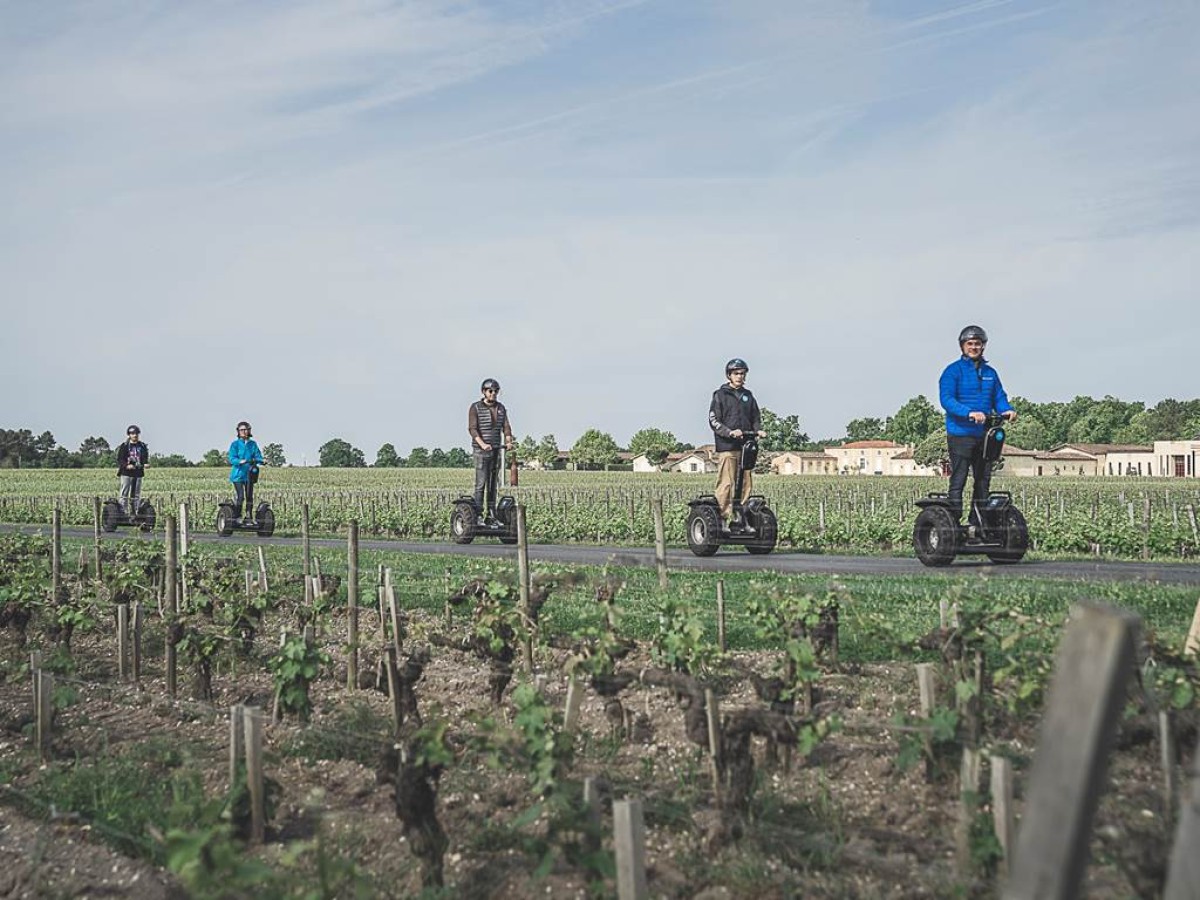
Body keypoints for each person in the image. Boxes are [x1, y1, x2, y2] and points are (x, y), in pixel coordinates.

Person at [938, 325, 1017, 527]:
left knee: (983, 480)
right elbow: (946, 399)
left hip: (984, 435)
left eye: (978, 344)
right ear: (963, 346)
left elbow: (998, 396)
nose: (974, 347)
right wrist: (968, 412)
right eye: (970, 344)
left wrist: (1007, 409)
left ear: (983, 347)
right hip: (960, 433)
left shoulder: (990, 373)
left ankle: (977, 522)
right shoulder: (952, 372)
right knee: (959, 479)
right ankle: (953, 523)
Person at [708, 358, 766, 527]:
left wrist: (758, 430)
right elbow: (714, 421)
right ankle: (724, 517)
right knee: (727, 482)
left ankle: (742, 516)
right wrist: (729, 432)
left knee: (746, 481)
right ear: (729, 375)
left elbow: (755, 417)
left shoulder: (748, 395)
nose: (740, 376)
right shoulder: (720, 395)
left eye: (742, 373)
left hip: (746, 446)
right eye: (736, 373)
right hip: (728, 446)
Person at [467, 378, 513, 523]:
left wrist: (508, 441)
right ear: (484, 392)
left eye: (496, 391)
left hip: (496, 449)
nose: (493, 393)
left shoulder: (501, 408)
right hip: (481, 451)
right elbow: (472, 429)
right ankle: (479, 514)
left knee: (493, 484)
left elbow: (506, 427)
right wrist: (482, 444)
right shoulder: (475, 408)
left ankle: (491, 515)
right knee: (481, 483)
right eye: (490, 391)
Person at [228, 421, 264, 524]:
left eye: (246, 429)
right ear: (238, 432)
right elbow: (232, 458)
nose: (244, 431)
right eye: (242, 430)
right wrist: (240, 461)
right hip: (238, 475)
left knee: (249, 496)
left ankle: (248, 517)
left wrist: (262, 460)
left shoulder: (252, 444)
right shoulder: (235, 444)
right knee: (241, 496)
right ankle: (237, 516)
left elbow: (257, 455)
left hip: (250, 474)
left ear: (249, 430)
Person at [115, 425, 149, 515]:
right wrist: (126, 465)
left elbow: (145, 457)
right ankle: (123, 511)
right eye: (133, 434)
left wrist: (145, 463)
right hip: (126, 473)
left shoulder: (142, 446)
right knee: (124, 492)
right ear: (129, 435)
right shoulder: (125, 446)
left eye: (136, 434)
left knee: (136, 493)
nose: (135, 435)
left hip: (138, 472)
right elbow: (120, 459)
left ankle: (135, 511)